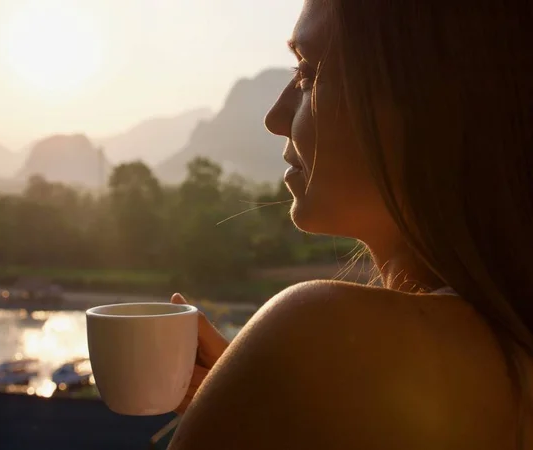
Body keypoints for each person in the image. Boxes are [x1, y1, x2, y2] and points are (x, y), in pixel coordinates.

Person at [169, 0, 533, 448]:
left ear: (431, 98)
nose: (274, 118)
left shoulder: (319, 336)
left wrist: (276, 380)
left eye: (306, 74)